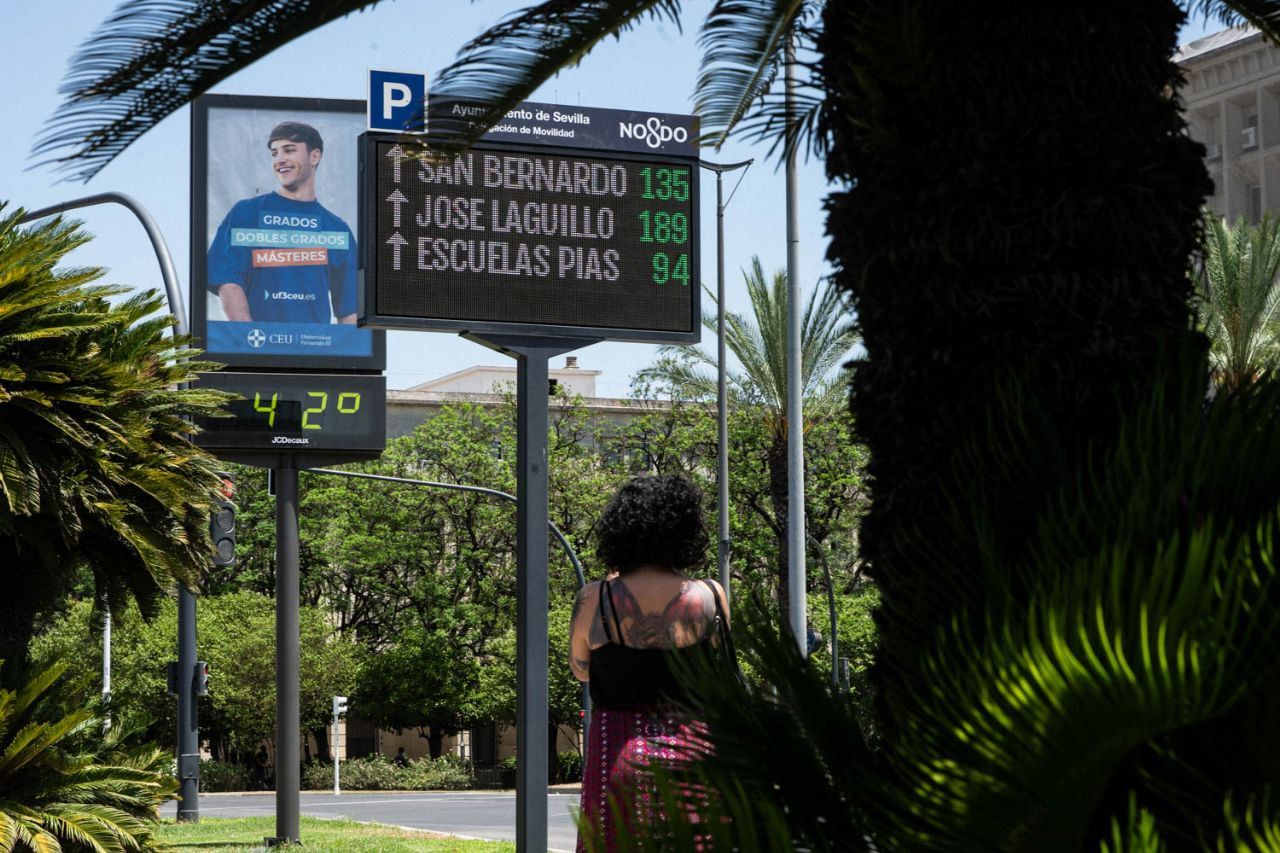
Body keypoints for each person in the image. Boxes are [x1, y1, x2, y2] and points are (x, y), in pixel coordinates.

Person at [569, 475, 729, 851]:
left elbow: (580, 668)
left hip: (619, 751)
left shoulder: (596, 598)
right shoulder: (711, 596)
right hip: (696, 750)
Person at [207, 121, 358, 325]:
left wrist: (341, 355)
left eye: (289, 150)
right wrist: (251, 340)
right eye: (274, 153)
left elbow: (350, 309)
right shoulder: (246, 213)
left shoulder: (337, 230)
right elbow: (228, 282)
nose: (280, 159)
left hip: (317, 350)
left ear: (314, 156)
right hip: (255, 349)